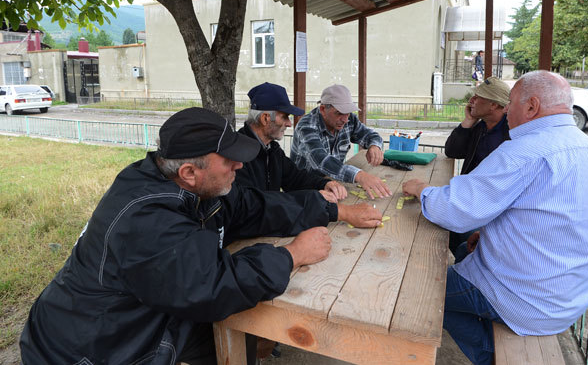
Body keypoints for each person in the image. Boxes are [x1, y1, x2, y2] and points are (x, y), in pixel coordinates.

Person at [20, 107, 382, 364]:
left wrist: (336, 211)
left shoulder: (190, 185)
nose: (240, 166)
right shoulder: (147, 217)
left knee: (239, 339)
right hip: (93, 348)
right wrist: (292, 255)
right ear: (191, 171)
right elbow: (209, 286)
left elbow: (255, 207)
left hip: (141, 316)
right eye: (229, 160)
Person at [403, 71, 588, 365]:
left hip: (522, 298)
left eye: (510, 103)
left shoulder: (523, 152)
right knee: (460, 253)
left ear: (532, 106)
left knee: (416, 293)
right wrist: (491, 233)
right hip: (571, 297)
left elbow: (455, 211)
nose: (507, 110)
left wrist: (422, 191)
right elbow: (561, 220)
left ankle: (490, 357)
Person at [236, 82, 347, 203]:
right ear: (265, 118)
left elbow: (295, 179)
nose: (289, 123)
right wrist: (309, 198)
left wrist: (324, 184)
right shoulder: (237, 154)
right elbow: (253, 204)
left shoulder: (272, 149)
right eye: (284, 117)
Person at [444, 77, 511, 261]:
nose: (471, 100)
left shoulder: (511, 134)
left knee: (463, 245)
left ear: (494, 105)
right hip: (469, 201)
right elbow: (452, 151)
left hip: (491, 213)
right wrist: (467, 121)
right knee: (440, 227)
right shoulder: (479, 127)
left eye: (478, 97)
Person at [290, 84, 391, 200]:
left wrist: (374, 146)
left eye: (347, 112)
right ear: (323, 109)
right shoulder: (307, 125)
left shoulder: (350, 120)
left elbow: (371, 135)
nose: (345, 119)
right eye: (339, 113)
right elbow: (321, 160)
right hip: (303, 190)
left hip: (332, 183)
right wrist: (360, 175)